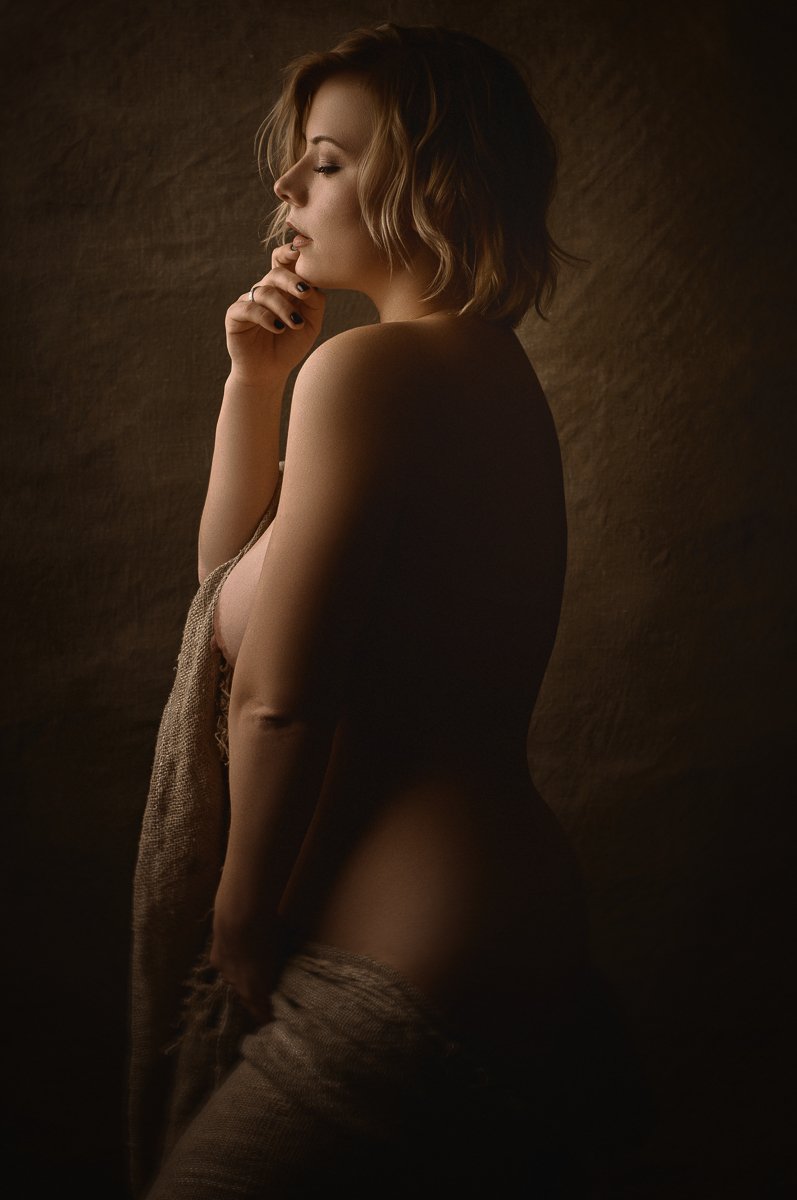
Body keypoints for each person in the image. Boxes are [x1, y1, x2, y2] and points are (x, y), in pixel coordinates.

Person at [131, 21, 654, 1198]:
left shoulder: (373, 373)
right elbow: (230, 597)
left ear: (432, 185)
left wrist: (239, 918)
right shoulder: (470, 368)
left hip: (406, 953)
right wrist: (254, 383)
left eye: (325, 160)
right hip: (494, 922)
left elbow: (279, 694)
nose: (285, 183)